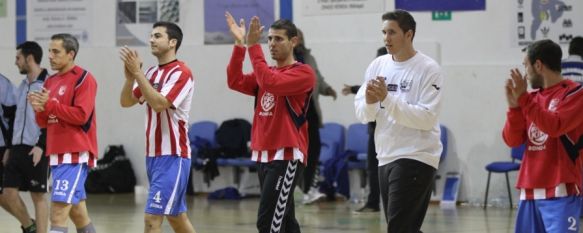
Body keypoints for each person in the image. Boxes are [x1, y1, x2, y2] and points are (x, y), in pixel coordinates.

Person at [225, 12, 315, 233]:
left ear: (293, 41)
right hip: (263, 154)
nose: (272, 44)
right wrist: (239, 45)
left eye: (279, 39)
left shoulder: (303, 73)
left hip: (286, 156)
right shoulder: (266, 72)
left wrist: (253, 47)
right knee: (285, 222)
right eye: (270, 39)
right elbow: (234, 80)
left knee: (267, 224)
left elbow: (271, 83)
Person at [354, 10, 444, 233]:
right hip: (385, 156)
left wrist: (387, 98)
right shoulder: (377, 65)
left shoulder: (428, 69)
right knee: (406, 227)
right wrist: (369, 101)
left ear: (409, 34)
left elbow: (426, 118)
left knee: (399, 228)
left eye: (392, 32)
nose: (386, 38)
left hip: (416, 155)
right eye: (384, 32)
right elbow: (364, 115)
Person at [119, 21, 196, 233]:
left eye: (157, 36)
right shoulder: (151, 73)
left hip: (173, 155)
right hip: (153, 156)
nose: (151, 40)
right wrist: (130, 78)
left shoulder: (182, 72)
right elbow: (126, 102)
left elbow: (160, 104)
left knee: (152, 219)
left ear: (172, 42)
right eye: (151, 36)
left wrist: (138, 74)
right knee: (177, 218)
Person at [503, 39, 583, 233]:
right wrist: (514, 108)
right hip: (529, 191)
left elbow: (554, 126)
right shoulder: (531, 98)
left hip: (561, 191)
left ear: (538, 65)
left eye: (526, 65)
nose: (525, 73)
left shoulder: (575, 93)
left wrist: (523, 99)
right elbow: (512, 140)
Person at [28, 33, 98, 233]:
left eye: (56, 51)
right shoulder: (50, 82)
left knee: (58, 212)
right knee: (78, 213)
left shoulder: (84, 78)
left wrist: (49, 104)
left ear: (71, 54)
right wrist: (38, 108)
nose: (50, 55)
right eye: (49, 51)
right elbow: (45, 122)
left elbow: (82, 116)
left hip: (74, 153)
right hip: (56, 153)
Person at [2, 41, 49, 233]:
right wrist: (9, 148)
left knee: (38, 196)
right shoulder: (21, 87)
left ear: (29, 58)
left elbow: (51, 119)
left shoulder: (48, 85)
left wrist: (41, 146)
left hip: (36, 148)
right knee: (8, 192)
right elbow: (14, 120)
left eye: (18, 58)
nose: (16, 62)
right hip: (17, 148)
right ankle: (29, 227)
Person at [293, 28, 337, 205]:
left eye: (302, 37)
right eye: (297, 37)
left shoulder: (309, 57)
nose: (300, 40)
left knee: (314, 149)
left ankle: (307, 188)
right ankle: (297, 188)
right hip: (295, 112)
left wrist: (327, 89)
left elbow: (317, 77)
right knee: (297, 153)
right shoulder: (287, 57)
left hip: (311, 109)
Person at [342, 46, 388, 213]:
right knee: (373, 168)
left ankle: (377, 203)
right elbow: (366, 89)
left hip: (387, 133)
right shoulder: (376, 78)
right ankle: (373, 202)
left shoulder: (392, 78)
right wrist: (353, 89)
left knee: (381, 169)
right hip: (375, 131)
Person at [0, 73, 16, 213]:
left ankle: (28, 224)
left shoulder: (3, 84)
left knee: (4, 193)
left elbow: (14, 116)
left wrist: (9, 147)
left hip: (1, 146)